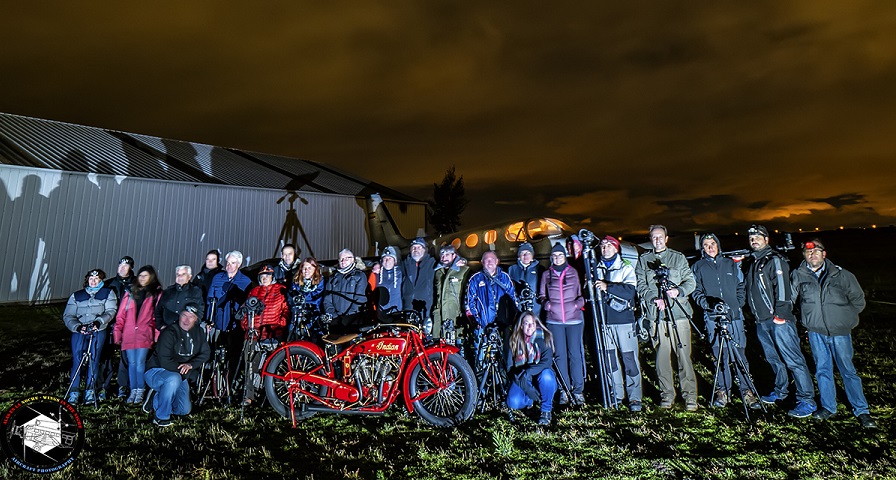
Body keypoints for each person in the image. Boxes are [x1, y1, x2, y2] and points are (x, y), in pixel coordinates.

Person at [791, 239, 877, 428]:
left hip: (840, 333)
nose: (812, 255)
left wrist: (844, 319)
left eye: (816, 251)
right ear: (804, 255)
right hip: (815, 333)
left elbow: (858, 300)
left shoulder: (842, 275)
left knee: (848, 371)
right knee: (822, 370)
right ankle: (828, 407)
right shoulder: (798, 275)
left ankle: (862, 411)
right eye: (808, 252)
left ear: (824, 254)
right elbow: (791, 299)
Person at [745, 225, 816, 418]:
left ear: (766, 239)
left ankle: (807, 400)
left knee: (793, 360)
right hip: (762, 321)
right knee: (774, 359)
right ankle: (780, 390)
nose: (754, 240)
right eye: (751, 238)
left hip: (778, 321)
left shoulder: (774, 260)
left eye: (758, 237)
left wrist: (780, 316)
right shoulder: (754, 262)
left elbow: (783, 289)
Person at [691, 233, 760, 410]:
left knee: (740, 356)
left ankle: (747, 391)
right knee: (720, 356)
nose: (710, 247)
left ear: (718, 244)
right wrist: (708, 304)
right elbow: (695, 291)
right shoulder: (698, 266)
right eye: (706, 245)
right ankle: (723, 391)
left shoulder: (730, 263)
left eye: (713, 243)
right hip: (713, 318)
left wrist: (737, 304)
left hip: (734, 317)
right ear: (702, 248)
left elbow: (740, 285)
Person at [635, 224, 698, 411]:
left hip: (678, 314)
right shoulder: (644, 260)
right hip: (657, 317)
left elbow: (690, 282)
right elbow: (640, 285)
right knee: (662, 357)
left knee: (684, 357)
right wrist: (653, 299)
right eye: (654, 237)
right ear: (650, 239)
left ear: (666, 238)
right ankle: (667, 395)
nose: (657, 240)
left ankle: (690, 397)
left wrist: (677, 291)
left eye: (660, 237)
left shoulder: (677, 258)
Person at [593, 235, 643, 412]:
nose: (605, 248)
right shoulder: (595, 268)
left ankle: (635, 397)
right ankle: (616, 394)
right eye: (603, 245)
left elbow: (630, 291)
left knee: (629, 359)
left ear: (616, 249)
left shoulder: (625, 268)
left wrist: (608, 286)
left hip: (623, 321)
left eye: (609, 245)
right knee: (610, 361)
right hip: (604, 322)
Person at [143, 304, 210, 427]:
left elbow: (205, 353)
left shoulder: (199, 332)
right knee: (173, 379)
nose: (186, 320)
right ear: (179, 316)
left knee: (183, 410)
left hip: (181, 373)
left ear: (196, 319)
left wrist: (190, 365)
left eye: (191, 317)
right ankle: (161, 417)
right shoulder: (169, 332)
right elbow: (165, 361)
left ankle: (156, 399)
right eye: (184, 315)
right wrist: (183, 372)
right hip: (157, 371)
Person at [540, 243, 586, 405]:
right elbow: (542, 296)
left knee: (575, 354)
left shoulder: (573, 272)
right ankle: (564, 390)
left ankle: (578, 390)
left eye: (560, 255)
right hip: (554, 321)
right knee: (559, 355)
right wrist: (548, 306)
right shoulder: (547, 275)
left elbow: (581, 293)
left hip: (574, 320)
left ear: (565, 256)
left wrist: (577, 304)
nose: (557, 258)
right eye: (554, 256)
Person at [63, 269, 118, 404]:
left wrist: (99, 322)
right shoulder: (77, 295)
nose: (93, 281)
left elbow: (110, 311)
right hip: (79, 332)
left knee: (93, 361)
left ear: (101, 281)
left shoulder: (107, 293)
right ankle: (74, 392)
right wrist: (76, 326)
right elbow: (68, 315)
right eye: (91, 279)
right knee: (77, 360)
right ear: (87, 280)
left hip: (97, 331)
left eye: (97, 279)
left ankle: (90, 391)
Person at [113, 265, 162, 405]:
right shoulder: (130, 293)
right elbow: (121, 315)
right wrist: (117, 332)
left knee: (140, 363)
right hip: (129, 334)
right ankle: (133, 389)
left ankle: (140, 390)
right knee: (131, 363)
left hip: (144, 334)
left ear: (151, 277)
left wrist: (156, 334)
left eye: (145, 276)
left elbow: (157, 316)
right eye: (140, 276)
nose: (142, 278)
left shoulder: (155, 294)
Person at [240, 265, 288, 405]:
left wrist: (280, 325)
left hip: (272, 334)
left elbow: (286, 311)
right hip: (253, 335)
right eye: (262, 275)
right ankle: (250, 395)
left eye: (267, 275)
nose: (264, 278)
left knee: (273, 366)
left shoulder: (281, 290)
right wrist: (247, 326)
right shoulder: (254, 291)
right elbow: (244, 311)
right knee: (251, 366)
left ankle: (272, 395)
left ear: (272, 277)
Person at [505, 312, 557, 426]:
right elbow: (510, 367)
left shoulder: (544, 337)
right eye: (526, 323)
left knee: (547, 376)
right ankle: (531, 400)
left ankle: (546, 411)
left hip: (540, 375)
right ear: (521, 325)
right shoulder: (514, 340)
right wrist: (527, 387)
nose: (529, 327)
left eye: (532, 324)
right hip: (522, 377)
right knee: (513, 402)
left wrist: (528, 372)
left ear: (536, 324)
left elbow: (546, 363)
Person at [206, 250, 253, 378]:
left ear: (238, 264)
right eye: (227, 263)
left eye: (232, 263)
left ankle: (232, 383)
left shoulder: (246, 281)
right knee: (215, 355)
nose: (229, 266)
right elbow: (210, 300)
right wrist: (208, 320)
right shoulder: (217, 278)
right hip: (218, 323)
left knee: (233, 356)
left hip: (235, 326)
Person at [466, 251, 517, 357]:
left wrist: (511, 321)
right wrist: (477, 321)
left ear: (497, 261)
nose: (489, 262)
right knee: (481, 357)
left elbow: (513, 299)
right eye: (486, 260)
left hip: (503, 326)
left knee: (505, 357)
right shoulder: (475, 279)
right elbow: (469, 302)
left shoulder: (505, 278)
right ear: (482, 262)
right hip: (483, 326)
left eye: (492, 259)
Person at [102, 255, 135, 400]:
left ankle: (123, 385)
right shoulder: (108, 284)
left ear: (131, 268)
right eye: (120, 265)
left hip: (128, 326)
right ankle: (103, 386)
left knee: (126, 358)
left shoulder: (136, 285)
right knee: (106, 357)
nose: (122, 268)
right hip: (110, 325)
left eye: (125, 266)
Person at [323, 249, 370, 333]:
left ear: (353, 259)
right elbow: (327, 299)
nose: (343, 261)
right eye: (341, 259)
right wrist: (333, 315)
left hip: (353, 319)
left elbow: (360, 298)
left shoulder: (360, 276)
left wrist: (348, 316)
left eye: (346, 258)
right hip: (336, 320)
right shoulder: (333, 278)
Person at [432, 245, 470, 344]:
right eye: (442, 255)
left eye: (447, 255)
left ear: (454, 255)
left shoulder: (464, 270)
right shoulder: (438, 273)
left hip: (456, 316)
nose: (444, 258)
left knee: (458, 351)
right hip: (439, 318)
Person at [155, 265, 205, 331]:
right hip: (168, 331)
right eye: (178, 274)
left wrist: (191, 327)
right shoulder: (168, 291)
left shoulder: (195, 292)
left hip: (186, 332)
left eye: (183, 274)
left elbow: (200, 311)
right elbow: (159, 310)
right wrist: (160, 325)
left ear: (189, 277)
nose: (180, 277)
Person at [401, 237, 437, 317]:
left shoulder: (432, 263)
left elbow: (448, 264)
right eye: (413, 247)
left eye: (419, 247)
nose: (415, 249)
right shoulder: (405, 263)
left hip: (425, 308)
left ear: (425, 250)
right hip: (408, 307)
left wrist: (461, 260)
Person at [508, 242, 544, 320]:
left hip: (536, 309)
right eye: (522, 253)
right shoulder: (512, 269)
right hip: (518, 309)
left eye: (528, 253)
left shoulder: (540, 269)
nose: (525, 256)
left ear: (532, 255)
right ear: (519, 256)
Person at [370, 246, 403, 316]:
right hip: (381, 313)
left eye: (390, 258)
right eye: (385, 258)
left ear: (395, 260)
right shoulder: (376, 273)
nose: (387, 261)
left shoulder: (401, 272)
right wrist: (375, 264)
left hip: (397, 312)